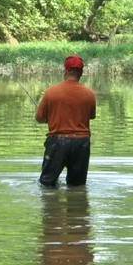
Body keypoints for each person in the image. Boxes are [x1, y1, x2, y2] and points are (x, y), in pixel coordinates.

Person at [35, 55, 96, 187]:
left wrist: (50, 119)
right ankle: (77, 205)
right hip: (82, 143)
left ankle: (51, 205)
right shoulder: (90, 94)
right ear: (81, 72)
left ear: (65, 71)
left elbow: (39, 118)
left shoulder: (51, 92)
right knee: (77, 186)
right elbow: (90, 116)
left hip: (58, 142)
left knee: (46, 184)